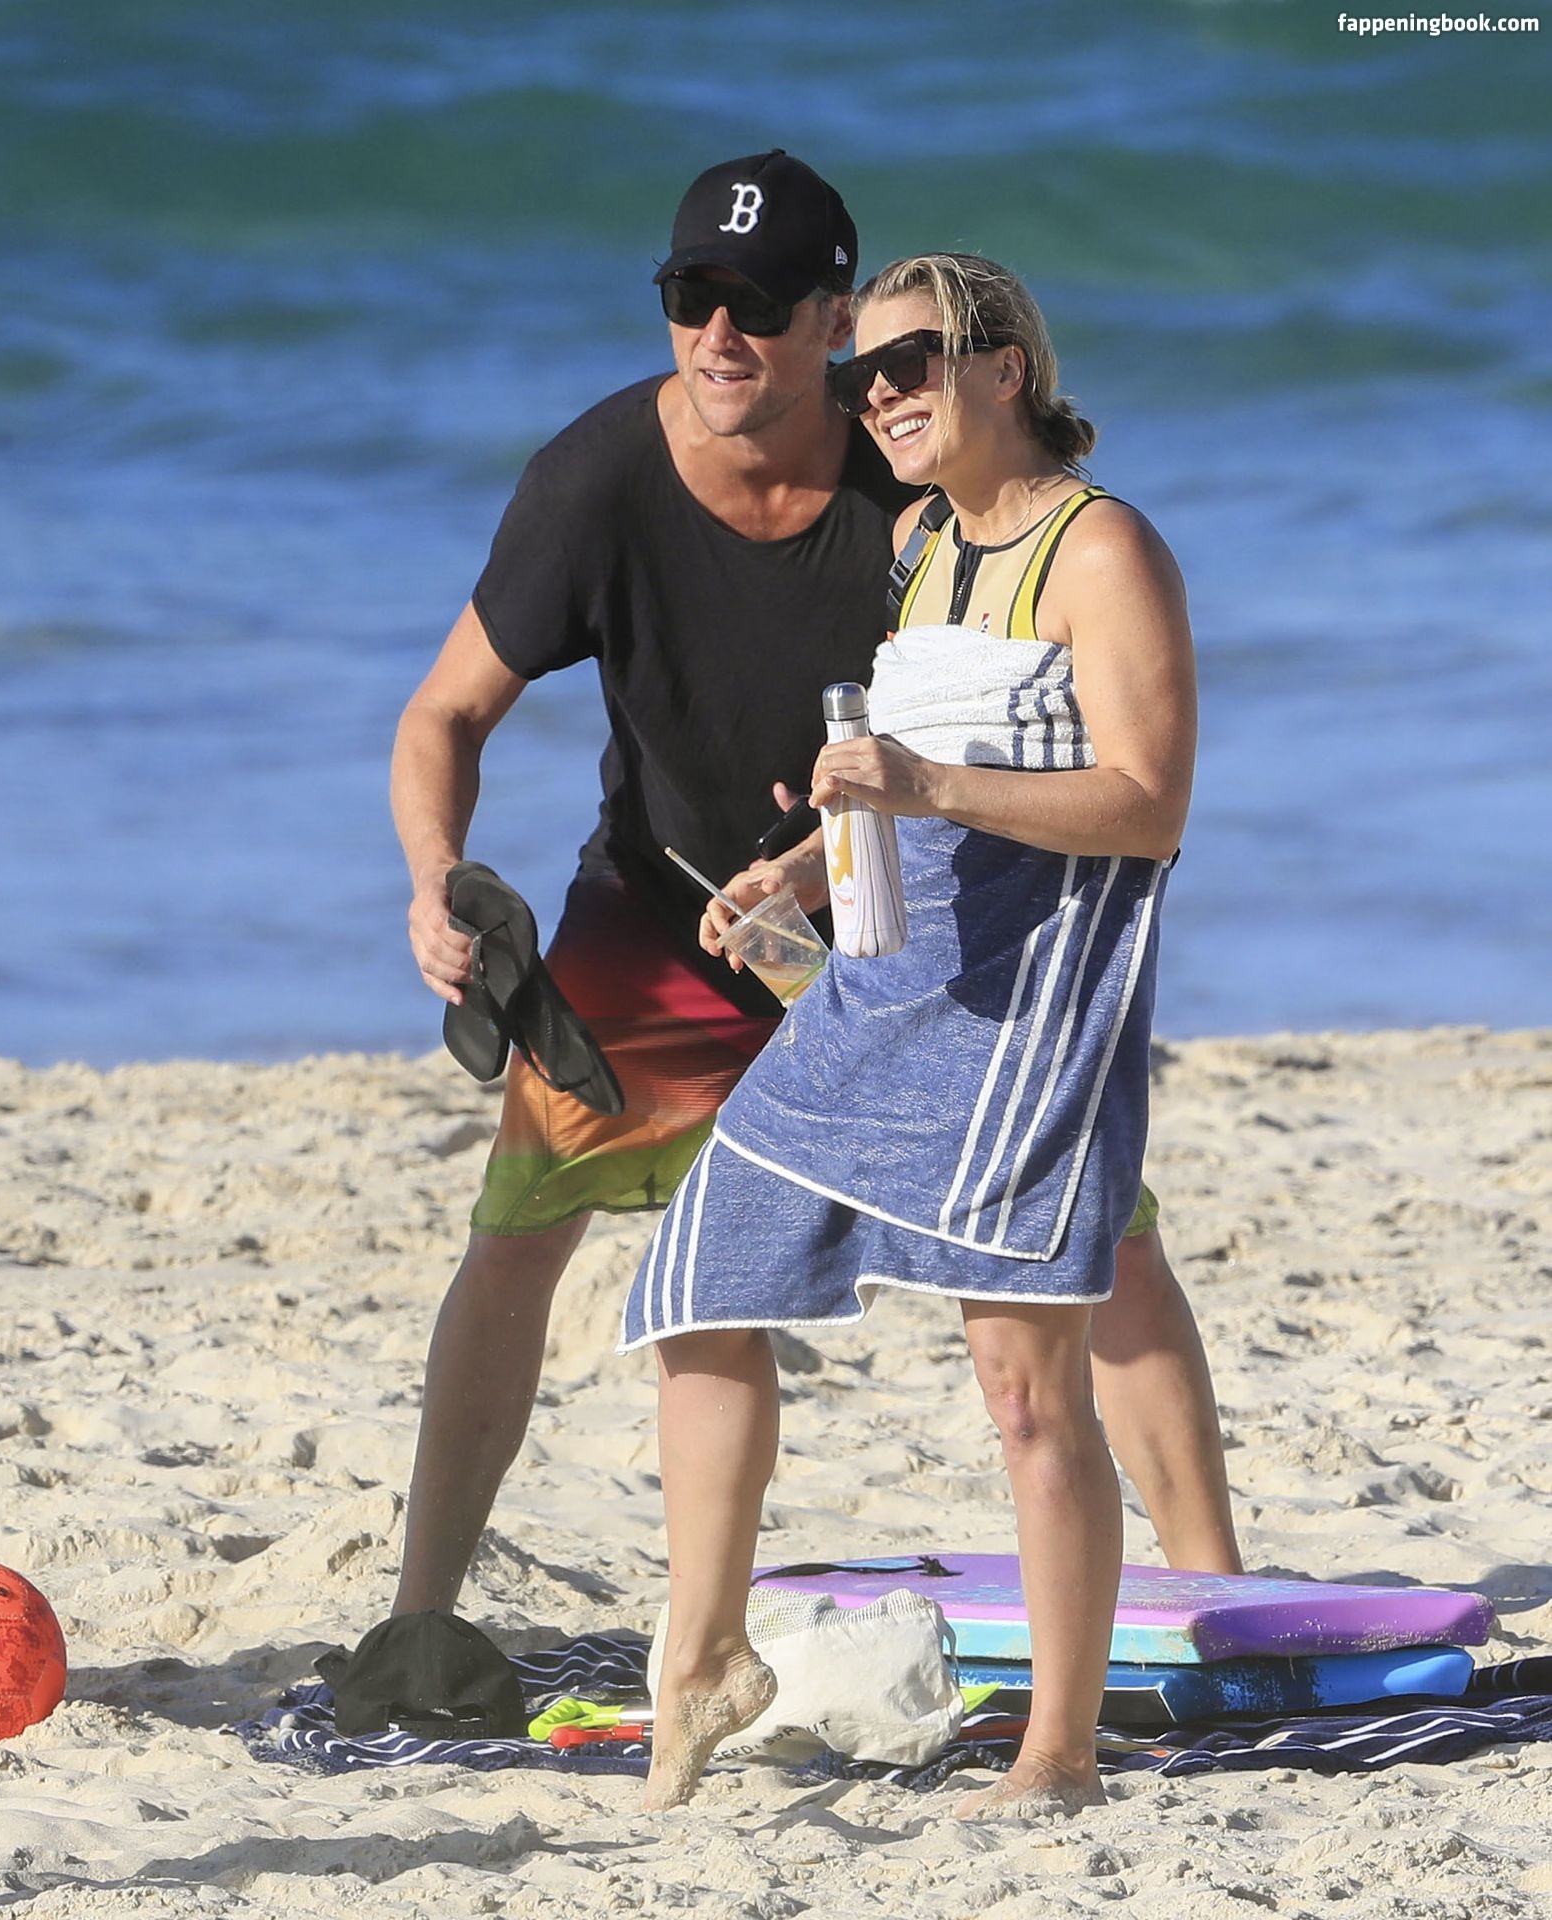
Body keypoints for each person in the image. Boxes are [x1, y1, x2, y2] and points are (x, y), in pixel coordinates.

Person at [388, 155, 1239, 1629]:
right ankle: (418, 1613)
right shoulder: (596, 480)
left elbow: (1059, 668)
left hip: (903, 918)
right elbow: (442, 715)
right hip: (666, 912)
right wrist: (433, 880)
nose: (720, 335)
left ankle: (1220, 1597)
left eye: (764, 304)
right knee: (520, 1228)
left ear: (833, 319)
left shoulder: (910, 469)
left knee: (1104, 1237)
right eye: (690, 297)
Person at [622, 251, 1199, 1815]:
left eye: (911, 363)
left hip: (1028, 1016)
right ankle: (705, 1653)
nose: (878, 395)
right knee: (697, 1280)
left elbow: (1147, 807)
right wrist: (801, 870)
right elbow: (898, 776)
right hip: (881, 989)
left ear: (1003, 366)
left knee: (1025, 1394)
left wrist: (921, 786)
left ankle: (1058, 1754)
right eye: (860, 374)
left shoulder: (1100, 549)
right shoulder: (920, 541)